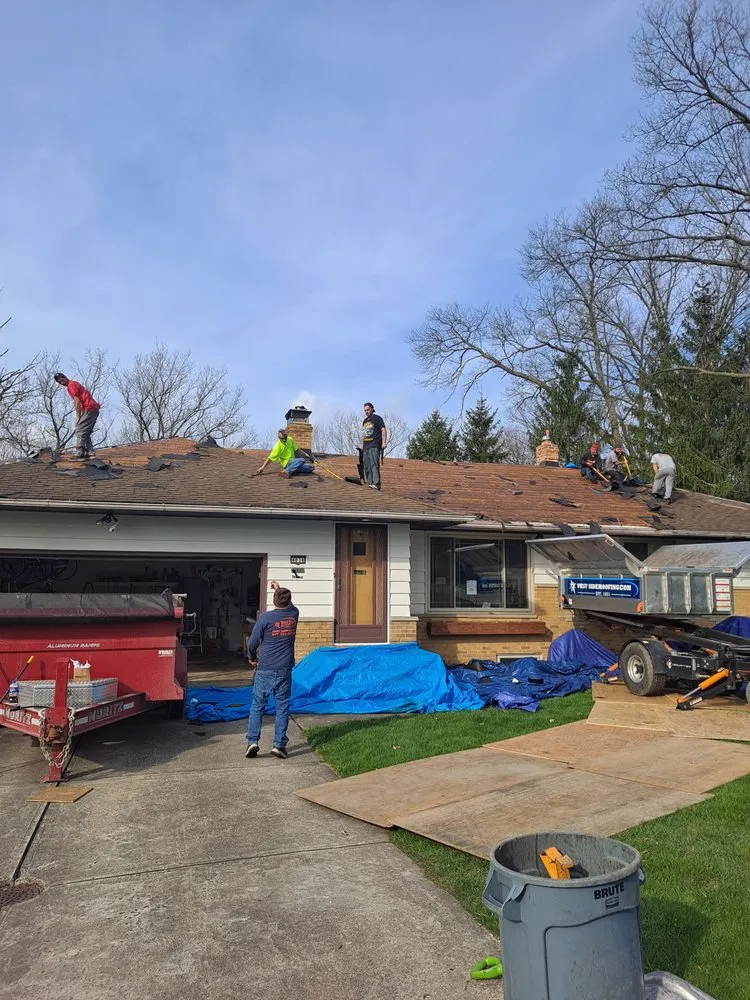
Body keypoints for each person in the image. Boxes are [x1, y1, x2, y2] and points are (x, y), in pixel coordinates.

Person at [245, 581, 299, 759]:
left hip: (265, 668)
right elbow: (288, 604)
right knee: (282, 706)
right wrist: (279, 589)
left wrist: (251, 657)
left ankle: (253, 742)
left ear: (274, 601)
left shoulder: (266, 618)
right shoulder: (294, 614)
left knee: (257, 706)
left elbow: (252, 641)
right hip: (285, 668)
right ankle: (279, 745)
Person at [53, 373, 101, 459]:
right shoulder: (73, 384)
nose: (62, 383)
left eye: (62, 380)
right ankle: (90, 452)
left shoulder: (71, 385)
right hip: (93, 409)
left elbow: (77, 400)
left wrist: (78, 416)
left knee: (80, 430)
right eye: (60, 382)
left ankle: (79, 452)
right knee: (86, 432)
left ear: (65, 377)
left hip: (89, 409)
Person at [361, 402, 387, 490]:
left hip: (374, 444)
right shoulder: (365, 421)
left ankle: (376, 483)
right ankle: (370, 483)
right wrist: (362, 445)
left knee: (374, 464)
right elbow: (364, 434)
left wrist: (384, 442)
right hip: (366, 446)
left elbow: (383, 430)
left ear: (372, 409)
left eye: (368, 410)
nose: (366, 412)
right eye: (365, 410)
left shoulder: (377, 418)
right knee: (367, 465)